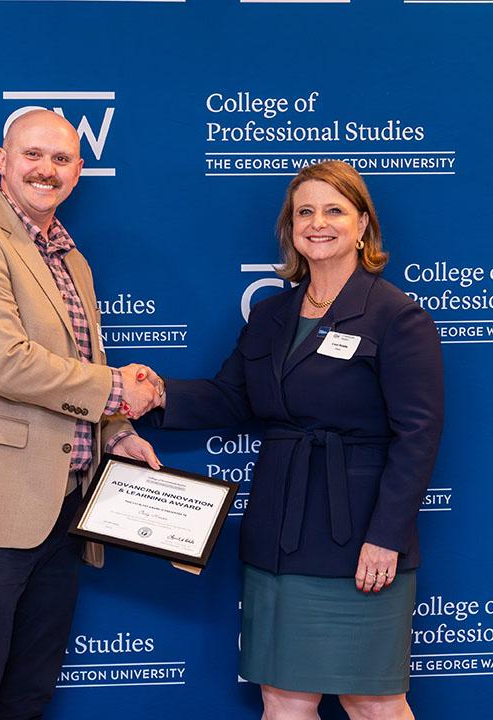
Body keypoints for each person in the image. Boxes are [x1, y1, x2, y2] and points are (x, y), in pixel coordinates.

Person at [140, 161, 443, 720]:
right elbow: (231, 398)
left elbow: (418, 436)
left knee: (373, 703)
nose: (318, 223)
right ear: (291, 228)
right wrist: (156, 393)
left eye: (334, 211)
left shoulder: (396, 316)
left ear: (362, 225)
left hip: (358, 540)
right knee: (282, 702)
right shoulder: (270, 314)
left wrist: (386, 537)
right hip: (277, 533)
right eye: (305, 212)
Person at [0, 109, 161, 720]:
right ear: (2, 161)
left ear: (77, 171)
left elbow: (77, 366)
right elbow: (6, 364)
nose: (46, 169)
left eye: (61, 159)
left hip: (62, 512)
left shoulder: (72, 260)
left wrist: (117, 432)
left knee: (27, 699)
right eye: (33, 154)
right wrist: (117, 390)